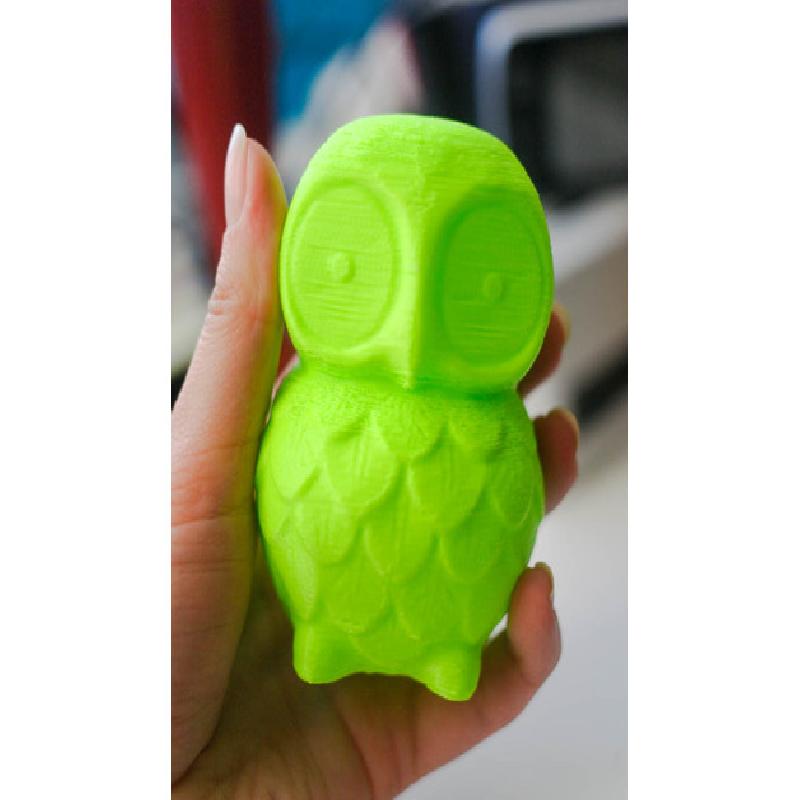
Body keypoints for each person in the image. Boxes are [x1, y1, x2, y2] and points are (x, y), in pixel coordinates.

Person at [172, 126, 579, 798]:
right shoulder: (305, 407)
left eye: (486, 283)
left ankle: (450, 656)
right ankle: (320, 638)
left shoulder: (498, 430)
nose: (408, 336)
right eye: (349, 268)